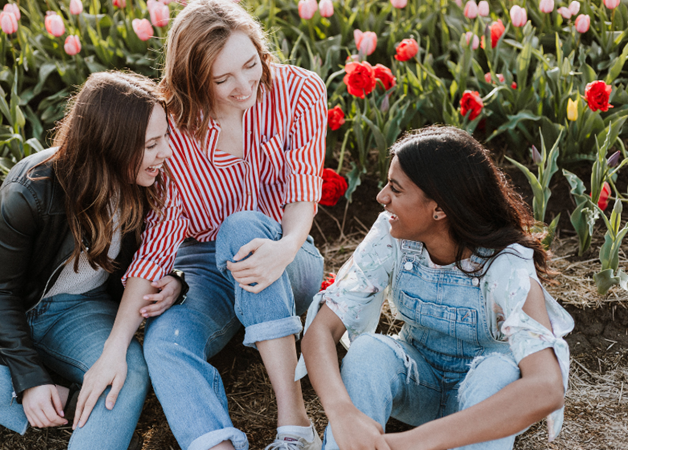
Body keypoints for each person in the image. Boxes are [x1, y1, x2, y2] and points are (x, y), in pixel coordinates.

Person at [0, 71, 186, 450]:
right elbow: (0, 291)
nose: (166, 153)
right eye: (152, 144)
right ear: (110, 146)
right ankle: (66, 398)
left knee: (128, 372)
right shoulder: (30, 190)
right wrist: (30, 381)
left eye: (165, 138)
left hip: (77, 311)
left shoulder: (151, 184)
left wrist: (175, 278)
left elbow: (158, 249)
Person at [123, 1, 327, 449]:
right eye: (222, 79)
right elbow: (162, 233)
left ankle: (295, 428)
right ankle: (218, 444)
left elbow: (303, 191)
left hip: (287, 252)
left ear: (259, 49)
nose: (243, 87)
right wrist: (121, 340)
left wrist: (287, 246)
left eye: (250, 65)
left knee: (241, 229)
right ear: (194, 79)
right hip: (207, 268)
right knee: (164, 343)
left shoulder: (299, 91)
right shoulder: (172, 125)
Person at [298, 126, 575, 450]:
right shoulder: (391, 234)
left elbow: (546, 386)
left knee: (498, 371)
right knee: (367, 352)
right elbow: (320, 331)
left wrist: (413, 443)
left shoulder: (507, 266)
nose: (381, 197)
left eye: (396, 189)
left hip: (483, 408)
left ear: (440, 208)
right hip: (418, 382)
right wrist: (343, 413)